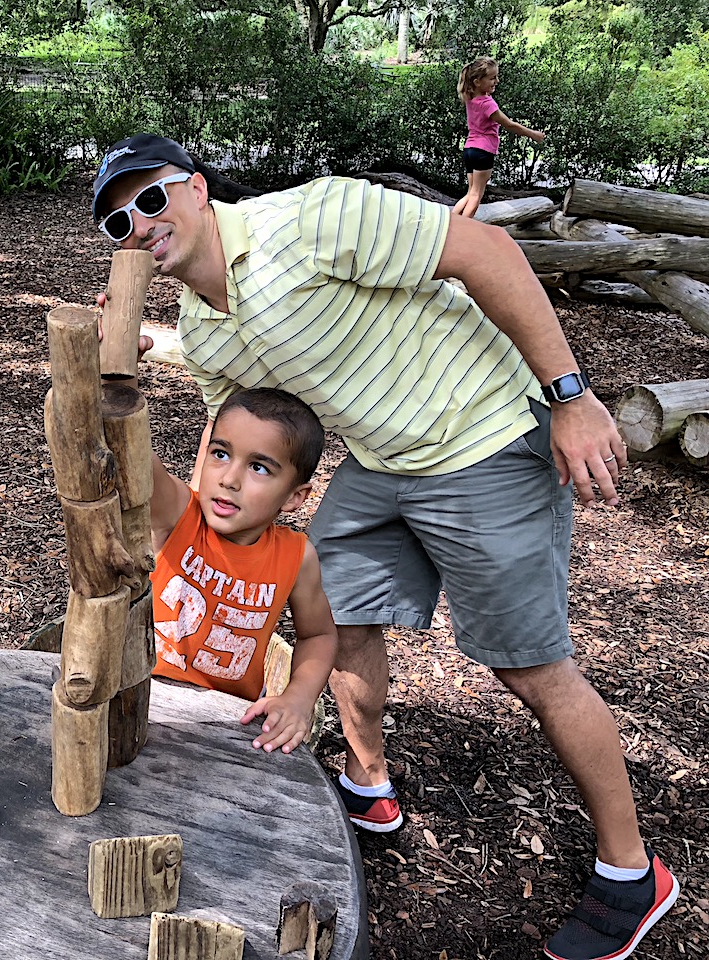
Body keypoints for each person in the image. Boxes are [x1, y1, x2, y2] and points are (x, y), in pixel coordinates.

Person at [90, 133, 677, 960]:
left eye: (150, 199)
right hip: (384, 458)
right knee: (336, 609)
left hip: (484, 434)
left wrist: (571, 397)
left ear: (193, 188)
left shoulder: (312, 217)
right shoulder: (204, 323)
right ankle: (369, 785)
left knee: (528, 665)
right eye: (118, 221)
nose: (139, 224)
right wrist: (192, 539)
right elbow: (235, 438)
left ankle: (632, 871)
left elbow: (487, 251)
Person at [149, 386, 338, 755]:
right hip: (139, 695)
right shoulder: (178, 515)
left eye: (258, 467)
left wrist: (299, 698)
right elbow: (132, 456)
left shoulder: (296, 557)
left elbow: (319, 635)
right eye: (220, 454)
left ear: (294, 497)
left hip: (227, 726)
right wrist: (119, 384)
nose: (229, 478)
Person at [454, 56, 545, 218]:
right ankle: (461, 228)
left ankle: (451, 221)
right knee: (476, 196)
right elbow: (509, 124)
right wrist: (533, 134)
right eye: (492, 78)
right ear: (477, 82)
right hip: (483, 151)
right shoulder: (487, 104)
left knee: (470, 193)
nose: (496, 81)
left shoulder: (471, 99)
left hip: (469, 150)